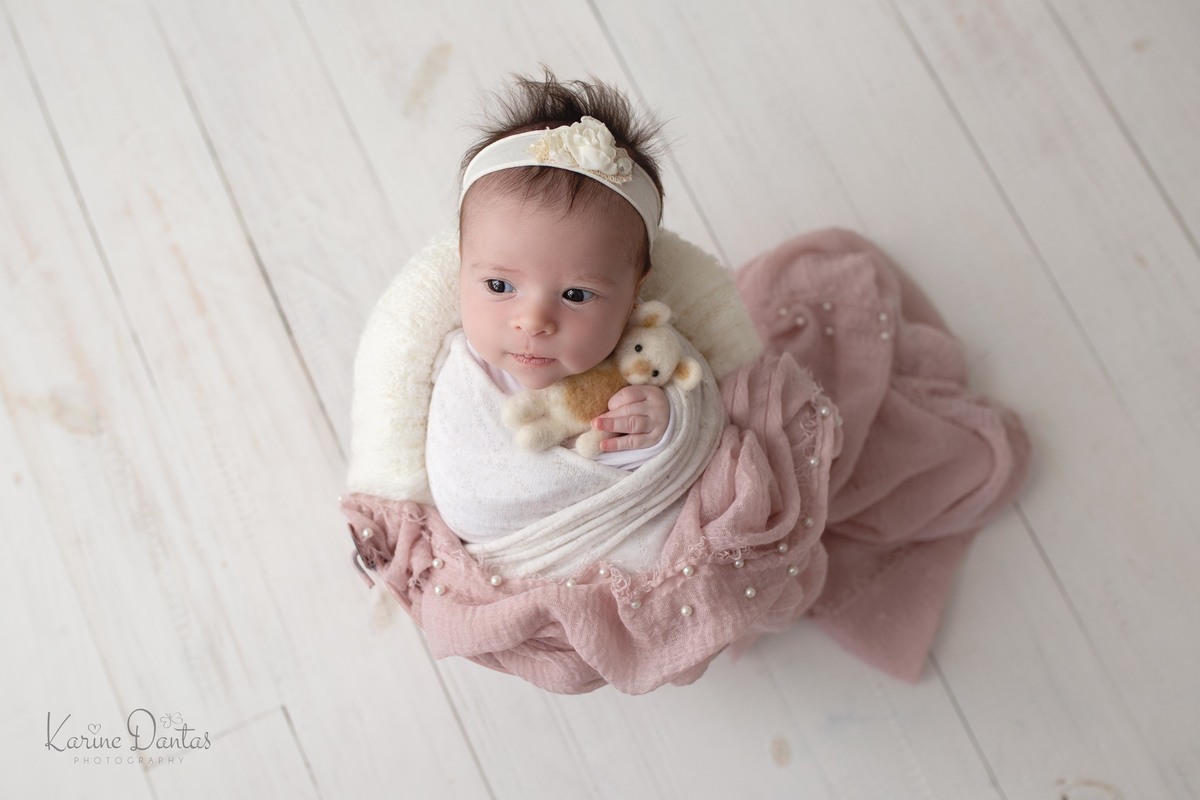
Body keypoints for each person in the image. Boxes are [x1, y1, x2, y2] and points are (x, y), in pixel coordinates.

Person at [341, 68, 1031, 694]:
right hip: (507, 564)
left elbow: (705, 435)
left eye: (577, 295)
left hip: (631, 560)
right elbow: (422, 461)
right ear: (460, 266)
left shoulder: (642, 354)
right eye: (498, 285)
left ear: (634, 291)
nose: (533, 320)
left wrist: (663, 430)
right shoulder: (452, 367)